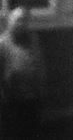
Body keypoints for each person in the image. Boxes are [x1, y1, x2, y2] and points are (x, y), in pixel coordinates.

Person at [0, 7, 47, 139]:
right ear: (9, 21)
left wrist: (41, 90)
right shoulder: (2, 44)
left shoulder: (33, 40)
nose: (22, 24)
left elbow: (40, 65)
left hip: (33, 100)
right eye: (18, 20)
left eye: (25, 20)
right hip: (11, 103)